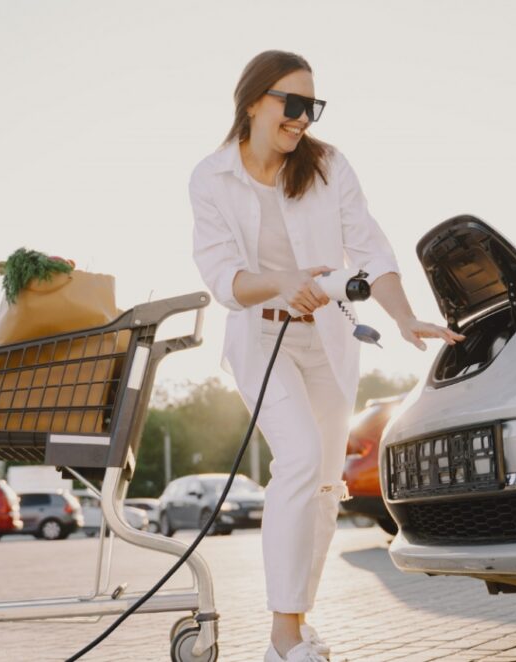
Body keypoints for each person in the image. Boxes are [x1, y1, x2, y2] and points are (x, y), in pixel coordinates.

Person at [189, 50, 464, 662]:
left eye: (312, 106)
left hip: (328, 338)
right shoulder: (211, 177)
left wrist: (401, 314)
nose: (303, 118)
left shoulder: (329, 166)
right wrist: (281, 282)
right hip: (260, 338)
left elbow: (370, 248)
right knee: (301, 457)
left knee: (322, 484)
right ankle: (281, 640)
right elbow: (222, 278)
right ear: (254, 101)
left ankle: (298, 625)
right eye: (293, 103)